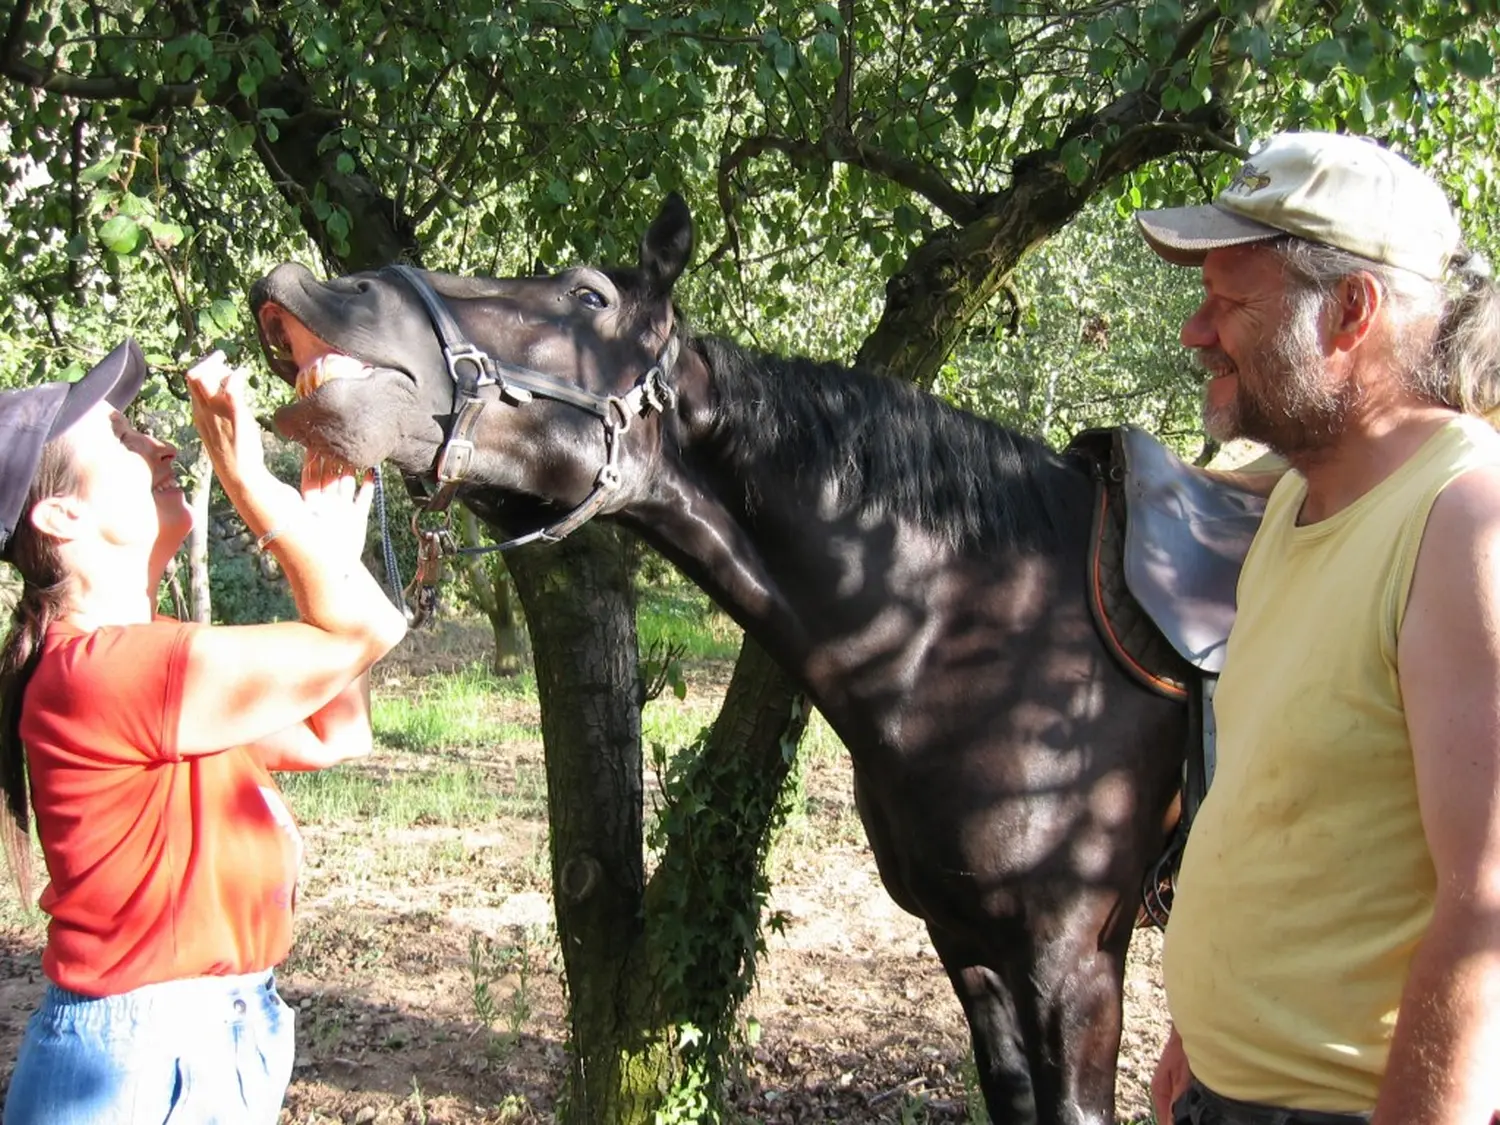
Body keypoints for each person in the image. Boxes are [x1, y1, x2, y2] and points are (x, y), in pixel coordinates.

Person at [1134, 130, 1500, 1125]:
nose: (1194, 332)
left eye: (1230, 302)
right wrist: (1201, 1038)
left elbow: (1488, 908)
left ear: (1349, 313)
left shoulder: (1462, 524)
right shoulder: (1298, 507)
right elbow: (1287, 801)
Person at [0, 341, 408, 1123]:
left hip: (209, 1037)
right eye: (120, 436)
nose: (157, 442)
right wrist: (249, 481)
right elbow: (367, 631)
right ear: (61, 514)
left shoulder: (147, 656)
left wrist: (330, 550)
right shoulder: (100, 673)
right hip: (141, 1059)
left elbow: (335, 729)